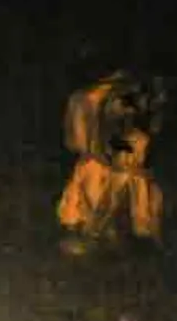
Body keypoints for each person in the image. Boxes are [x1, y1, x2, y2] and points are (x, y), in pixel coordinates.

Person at [57, 64, 164, 255]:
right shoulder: (92, 99)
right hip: (105, 162)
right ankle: (99, 235)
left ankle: (110, 236)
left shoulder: (133, 126)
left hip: (116, 162)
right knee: (100, 192)